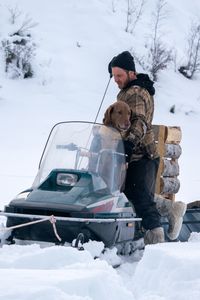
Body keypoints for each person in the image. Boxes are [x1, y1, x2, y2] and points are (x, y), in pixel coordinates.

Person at [108, 50, 165, 244]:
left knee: (141, 198)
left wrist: (129, 143)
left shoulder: (136, 92)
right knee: (130, 195)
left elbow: (139, 121)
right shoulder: (130, 89)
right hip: (132, 155)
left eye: (119, 75)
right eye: (114, 76)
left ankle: (157, 245)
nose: (116, 79)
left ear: (131, 73)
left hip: (141, 156)